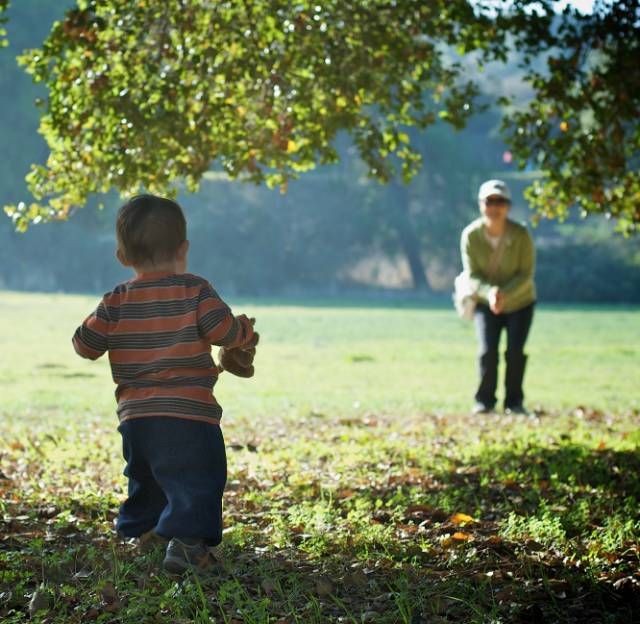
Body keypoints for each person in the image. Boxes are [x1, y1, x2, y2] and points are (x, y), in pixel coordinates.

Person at [72, 194, 259, 574]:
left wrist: (106, 319)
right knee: (197, 478)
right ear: (183, 249)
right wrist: (243, 333)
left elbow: (84, 345)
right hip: (189, 413)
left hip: (136, 418)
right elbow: (221, 330)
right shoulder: (195, 290)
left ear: (122, 257)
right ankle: (188, 545)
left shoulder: (116, 300)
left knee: (147, 477)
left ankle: (145, 532)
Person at [460, 179, 536, 415]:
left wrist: (505, 294)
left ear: (508, 206)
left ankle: (514, 402)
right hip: (485, 303)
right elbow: (472, 275)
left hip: (520, 302)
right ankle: (484, 401)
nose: (495, 207)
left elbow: (526, 275)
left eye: (500, 201)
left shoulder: (521, 235)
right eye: (490, 201)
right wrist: (490, 293)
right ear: (481, 204)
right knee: (487, 351)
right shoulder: (471, 236)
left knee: (515, 351)